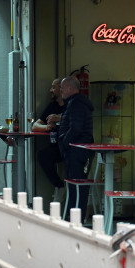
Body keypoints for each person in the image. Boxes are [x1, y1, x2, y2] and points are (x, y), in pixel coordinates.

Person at [57, 75, 95, 219]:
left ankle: (75, 216)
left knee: (76, 185)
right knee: (77, 185)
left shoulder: (76, 104)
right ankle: (75, 215)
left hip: (77, 151)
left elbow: (76, 129)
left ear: (70, 88)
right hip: (79, 150)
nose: (61, 91)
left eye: (62, 88)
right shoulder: (77, 103)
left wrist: (65, 143)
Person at [34, 78, 67, 201]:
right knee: (42, 155)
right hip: (57, 146)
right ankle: (59, 185)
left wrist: (59, 119)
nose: (50, 90)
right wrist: (47, 127)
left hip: (71, 146)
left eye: (53, 87)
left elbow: (76, 121)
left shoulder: (70, 105)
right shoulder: (52, 106)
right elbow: (35, 126)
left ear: (62, 88)